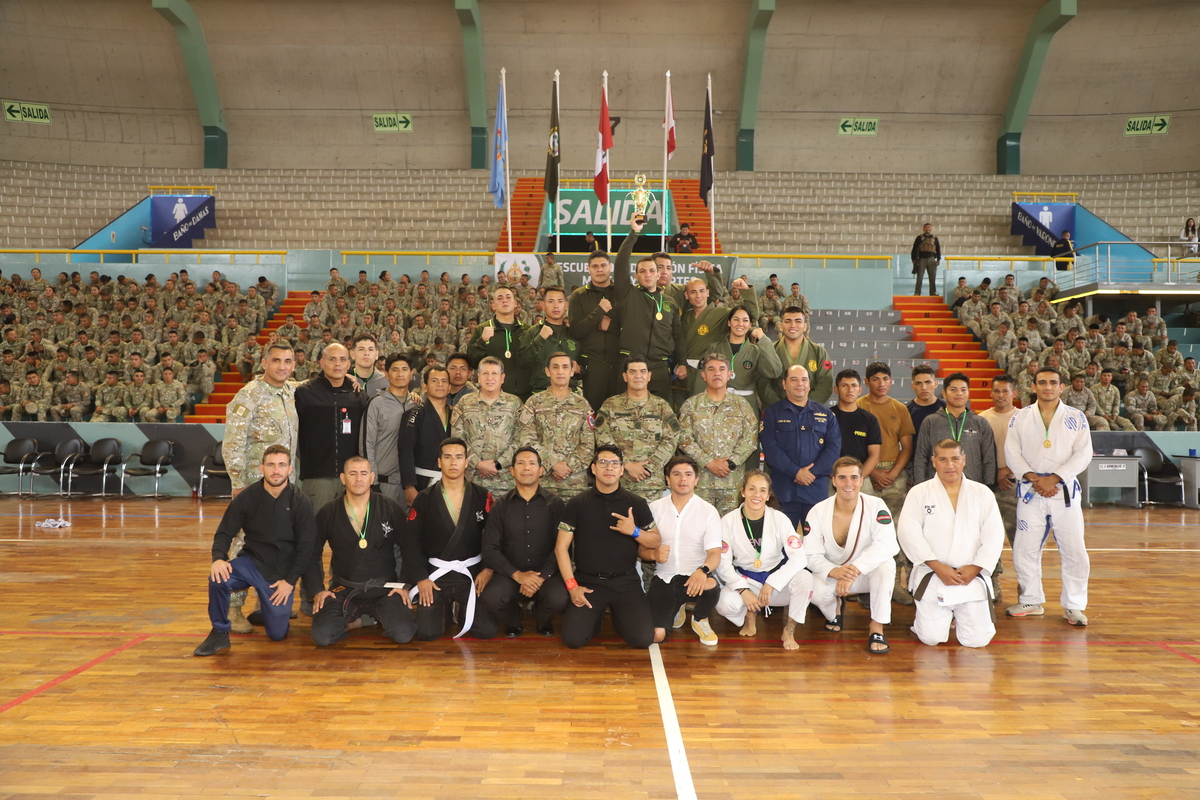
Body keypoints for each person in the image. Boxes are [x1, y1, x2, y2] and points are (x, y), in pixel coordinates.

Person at [194, 446, 317, 656]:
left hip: (280, 574)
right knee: (218, 579)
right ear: (262, 468)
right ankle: (219, 633)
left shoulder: (301, 502)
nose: (276, 470)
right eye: (270, 465)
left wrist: (290, 582)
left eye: (281, 465)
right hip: (251, 562)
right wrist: (218, 559)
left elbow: (307, 548)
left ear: (289, 469)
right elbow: (224, 532)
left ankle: (269, 613)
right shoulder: (247, 497)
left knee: (277, 634)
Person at [1005, 367, 1092, 626]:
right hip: (1031, 491)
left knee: (1074, 549)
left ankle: (1074, 605)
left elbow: (1084, 454)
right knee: (1024, 548)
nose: (1047, 387)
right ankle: (1031, 600)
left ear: (1061, 387)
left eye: (1053, 383)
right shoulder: (1019, 417)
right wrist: (1034, 478)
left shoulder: (1076, 417)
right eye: (1042, 382)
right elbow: (1012, 453)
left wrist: (1054, 478)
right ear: (1033, 387)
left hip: (1063, 491)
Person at [897, 439, 1004, 648]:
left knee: (977, 641)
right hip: (934, 574)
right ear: (933, 462)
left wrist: (976, 567)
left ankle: (957, 617)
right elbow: (908, 533)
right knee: (931, 638)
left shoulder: (982, 493)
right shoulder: (919, 492)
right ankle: (926, 621)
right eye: (943, 459)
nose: (950, 465)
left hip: (970, 576)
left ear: (964, 460)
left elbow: (994, 534)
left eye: (955, 458)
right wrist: (938, 567)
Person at [555, 444, 661, 649]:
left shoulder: (636, 503)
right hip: (588, 583)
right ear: (593, 469)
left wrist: (634, 531)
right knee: (573, 640)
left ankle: (620, 617)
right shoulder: (577, 503)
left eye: (614, 463)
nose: (609, 468)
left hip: (626, 583)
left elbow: (656, 541)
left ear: (622, 470)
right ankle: (596, 618)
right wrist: (572, 587)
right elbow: (561, 548)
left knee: (642, 639)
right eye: (603, 462)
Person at [305, 456, 416, 646]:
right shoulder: (329, 512)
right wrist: (317, 590)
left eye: (364, 473)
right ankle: (367, 620)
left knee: (403, 633)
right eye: (352, 474)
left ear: (372, 477)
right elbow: (311, 553)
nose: (358, 479)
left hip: (384, 588)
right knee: (322, 636)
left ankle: (366, 619)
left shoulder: (389, 507)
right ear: (343, 478)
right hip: (344, 588)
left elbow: (411, 547)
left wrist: (404, 585)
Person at [401, 437, 498, 640]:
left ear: (466, 462)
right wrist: (421, 578)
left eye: (458, 457)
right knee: (427, 633)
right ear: (439, 462)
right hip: (436, 573)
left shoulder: (483, 496)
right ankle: (445, 609)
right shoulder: (424, 498)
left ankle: (459, 610)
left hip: (471, 572)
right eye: (447, 457)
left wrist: (488, 569)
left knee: (485, 631)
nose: (453, 462)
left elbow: (493, 537)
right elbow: (411, 541)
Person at [805, 457, 899, 654]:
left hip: (862, 574)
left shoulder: (876, 505)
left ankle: (876, 628)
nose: (849, 483)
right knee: (813, 589)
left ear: (862, 479)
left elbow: (888, 544)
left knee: (886, 565)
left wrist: (854, 570)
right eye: (842, 478)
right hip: (833, 575)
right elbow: (811, 554)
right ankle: (835, 609)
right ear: (833, 480)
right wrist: (835, 572)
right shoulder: (818, 511)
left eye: (854, 478)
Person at [714, 470, 813, 650]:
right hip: (746, 580)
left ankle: (789, 631)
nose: (756, 495)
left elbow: (799, 558)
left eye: (762, 490)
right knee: (724, 605)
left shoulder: (779, 519)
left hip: (776, 584)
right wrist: (743, 590)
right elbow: (722, 563)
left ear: (768, 495)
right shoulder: (728, 521)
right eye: (752, 489)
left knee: (806, 579)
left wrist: (773, 582)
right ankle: (749, 615)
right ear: (743, 492)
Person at [479, 446, 569, 637]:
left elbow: (563, 546)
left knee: (560, 598)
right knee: (491, 598)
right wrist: (518, 575)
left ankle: (542, 619)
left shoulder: (556, 504)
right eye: (520, 463)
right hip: (510, 574)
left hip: (546, 575)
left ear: (541, 470)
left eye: (532, 463)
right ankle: (514, 618)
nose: (526, 468)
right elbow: (490, 548)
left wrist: (541, 577)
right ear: (512, 471)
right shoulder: (500, 506)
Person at [644, 455, 723, 645]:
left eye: (688, 474)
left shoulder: (708, 511)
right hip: (664, 578)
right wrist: (654, 555)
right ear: (667, 479)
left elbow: (714, 553)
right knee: (657, 636)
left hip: (694, 578)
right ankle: (676, 606)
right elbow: (641, 551)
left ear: (696, 480)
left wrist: (702, 570)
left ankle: (700, 619)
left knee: (712, 587)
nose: (682, 479)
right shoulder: (654, 509)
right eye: (676, 474)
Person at [593, 354, 683, 504]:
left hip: (651, 485)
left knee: (649, 527)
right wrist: (626, 464)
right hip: (617, 482)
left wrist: (649, 468)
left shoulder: (661, 406)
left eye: (642, 371)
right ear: (625, 376)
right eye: (632, 371)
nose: (638, 375)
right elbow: (602, 436)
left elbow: (671, 440)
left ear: (649, 376)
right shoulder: (610, 405)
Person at [760, 364, 841, 528]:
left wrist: (811, 473)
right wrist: (796, 472)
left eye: (804, 379)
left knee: (817, 544)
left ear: (809, 385)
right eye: (794, 379)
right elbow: (771, 449)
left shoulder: (825, 414)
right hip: (784, 492)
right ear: (784, 384)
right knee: (780, 545)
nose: (800, 384)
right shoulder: (772, 413)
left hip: (815, 491)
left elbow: (833, 449)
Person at [677, 353, 759, 515]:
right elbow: (683, 439)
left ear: (729, 374)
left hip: (732, 484)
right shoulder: (691, 406)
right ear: (703, 375)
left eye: (722, 369)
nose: (717, 373)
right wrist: (708, 462)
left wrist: (731, 463)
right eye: (711, 369)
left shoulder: (741, 405)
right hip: (700, 484)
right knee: (698, 533)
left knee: (728, 535)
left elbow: (751, 439)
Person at [294, 342, 367, 513]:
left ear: (349, 364)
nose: (337, 364)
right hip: (317, 476)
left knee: (350, 532)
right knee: (316, 532)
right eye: (332, 359)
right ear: (321, 362)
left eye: (342, 360)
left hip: (351, 476)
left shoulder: (358, 395)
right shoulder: (304, 393)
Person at [517, 352, 596, 500]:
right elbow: (526, 440)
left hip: (575, 483)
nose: (560, 371)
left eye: (565, 367)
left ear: (572, 371)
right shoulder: (534, 402)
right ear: (548, 371)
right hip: (541, 480)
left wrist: (568, 467)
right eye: (555, 367)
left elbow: (589, 444)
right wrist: (552, 464)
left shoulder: (582, 404)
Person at [911, 373, 996, 486]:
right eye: (953, 390)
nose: (959, 393)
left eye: (963, 390)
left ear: (968, 393)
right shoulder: (931, 421)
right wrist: (920, 485)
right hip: (937, 486)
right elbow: (921, 456)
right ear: (944, 394)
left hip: (972, 486)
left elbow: (989, 458)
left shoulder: (980, 423)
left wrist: (989, 486)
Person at [361, 353, 416, 508]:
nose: (400, 374)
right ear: (386, 374)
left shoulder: (417, 405)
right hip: (384, 484)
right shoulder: (376, 403)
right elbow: (366, 445)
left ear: (411, 373)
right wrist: (373, 483)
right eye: (395, 370)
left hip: (410, 485)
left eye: (404, 369)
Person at [398, 364, 453, 504]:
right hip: (421, 482)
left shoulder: (456, 415)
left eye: (444, 381)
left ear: (450, 387)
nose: (440, 384)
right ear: (425, 386)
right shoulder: (414, 414)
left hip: (451, 482)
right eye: (434, 381)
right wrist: (409, 486)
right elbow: (406, 452)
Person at [977, 374, 1020, 553]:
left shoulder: (1023, 418)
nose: (1000, 395)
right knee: (987, 537)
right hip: (987, 485)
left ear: (1014, 393)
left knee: (1018, 535)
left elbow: (1032, 452)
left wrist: (1007, 471)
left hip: (1014, 484)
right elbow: (976, 453)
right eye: (996, 391)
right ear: (991, 393)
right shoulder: (981, 419)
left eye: (1005, 391)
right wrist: (995, 472)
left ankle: (1025, 580)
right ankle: (992, 579)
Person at [468, 285, 531, 400]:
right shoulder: (482, 329)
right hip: (494, 398)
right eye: (500, 298)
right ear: (493, 305)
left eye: (508, 297)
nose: (505, 301)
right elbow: (472, 361)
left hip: (526, 396)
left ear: (515, 303)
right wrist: (482, 341)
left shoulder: (527, 330)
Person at [761, 308, 833, 406]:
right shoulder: (771, 351)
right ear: (781, 326)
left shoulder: (818, 351)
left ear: (805, 326)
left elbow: (825, 383)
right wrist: (779, 407)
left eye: (798, 321)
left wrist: (806, 406)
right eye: (788, 321)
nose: (793, 325)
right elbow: (763, 384)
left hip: (810, 411)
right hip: (777, 411)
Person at [518, 286, 579, 393]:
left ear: (566, 305)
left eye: (560, 301)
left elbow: (585, 367)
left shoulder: (574, 333)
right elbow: (523, 362)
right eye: (551, 301)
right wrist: (540, 339)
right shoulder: (534, 332)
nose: (556, 306)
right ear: (544, 305)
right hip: (541, 395)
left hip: (571, 396)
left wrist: (580, 369)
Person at [830, 370, 882, 487]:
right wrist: (834, 476)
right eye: (844, 385)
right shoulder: (827, 417)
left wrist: (857, 478)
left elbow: (874, 455)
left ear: (860, 390)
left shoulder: (869, 419)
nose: (850, 390)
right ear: (836, 389)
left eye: (854, 385)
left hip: (861, 479)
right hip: (832, 479)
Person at [906, 365, 945, 442]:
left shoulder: (947, 409)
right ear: (913, 386)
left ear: (936, 384)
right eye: (918, 383)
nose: (923, 387)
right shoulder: (905, 411)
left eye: (928, 382)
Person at [910, 223, 941, 296]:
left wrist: (938, 259)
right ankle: (917, 292)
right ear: (923, 229)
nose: (927, 229)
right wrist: (913, 259)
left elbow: (938, 249)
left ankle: (932, 292)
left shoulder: (935, 238)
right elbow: (914, 249)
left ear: (931, 229)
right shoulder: (919, 238)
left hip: (931, 259)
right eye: (926, 227)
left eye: (929, 227)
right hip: (921, 259)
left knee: (932, 277)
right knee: (919, 277)